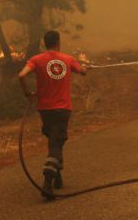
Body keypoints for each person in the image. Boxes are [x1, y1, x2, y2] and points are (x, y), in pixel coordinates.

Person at [18, 30, 88, 199]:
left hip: (45, 109)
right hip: (63, 109)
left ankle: (57, 176)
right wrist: (84, 68)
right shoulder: (68, 59)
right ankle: (48, 182)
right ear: (58, 42)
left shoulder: (36, 59)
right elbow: (82, 71)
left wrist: (28, 93)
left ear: (45, 43)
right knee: (57, 142)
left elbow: (21, 75)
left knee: (53, 139)